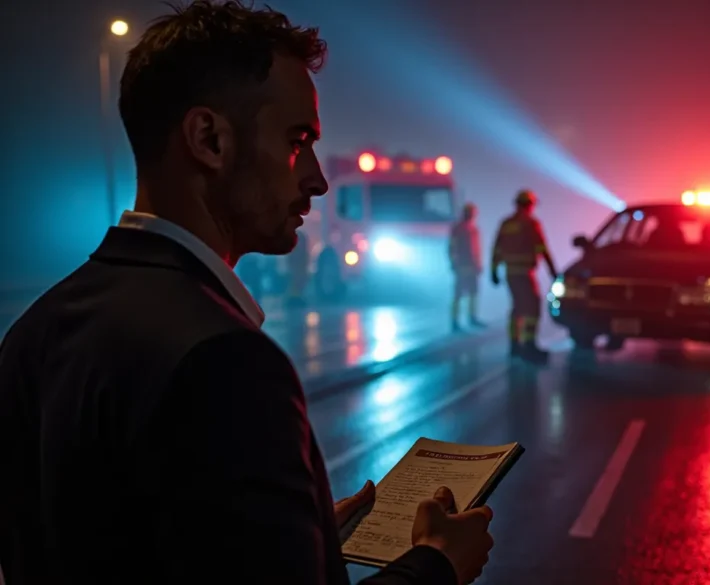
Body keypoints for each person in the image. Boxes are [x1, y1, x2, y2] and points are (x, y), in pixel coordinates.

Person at [0, 2, 493, 584]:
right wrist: (436, 563)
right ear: (208, 139)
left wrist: (295, 535)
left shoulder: (35, 329)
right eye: (297, 139)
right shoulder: (224, 360)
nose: (316, 177)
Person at [490, 189, 557, 362]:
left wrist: (494, 271)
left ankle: (514, 345)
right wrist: (553, 271)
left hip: (510, 273)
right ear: (529, 205)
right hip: (525, 272)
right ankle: (529, 345)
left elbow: (497, 249)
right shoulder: (531, 224)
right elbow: (542, 249)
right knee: (532, 307)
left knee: (517, 307)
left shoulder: (506, 224)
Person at [448, 203, 485, 331]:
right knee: (461, 293)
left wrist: (478, 263)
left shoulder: (470, 229)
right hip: (464, 265)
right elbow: (452, 248)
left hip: (468, 266)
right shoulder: (462, 229)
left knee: (470, 293)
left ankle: (468, 318)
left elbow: (476, 249)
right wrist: (453, 263)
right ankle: (458, 320)